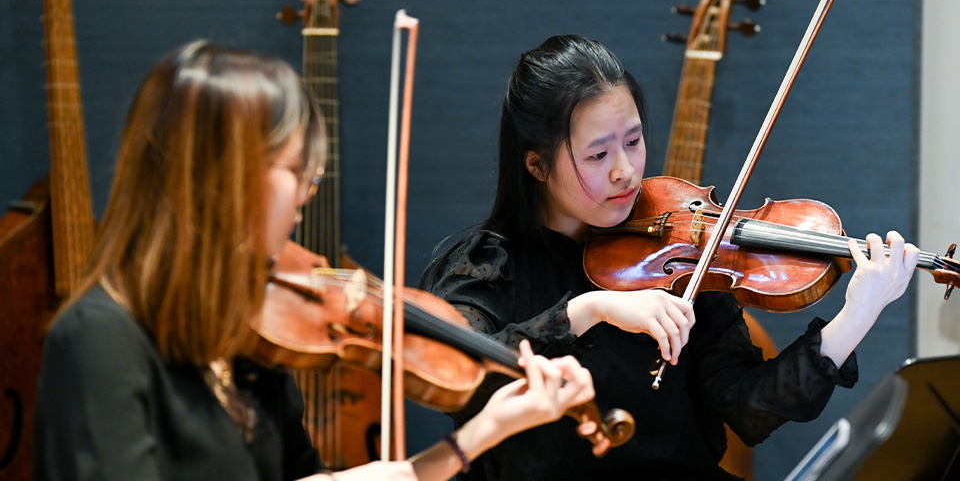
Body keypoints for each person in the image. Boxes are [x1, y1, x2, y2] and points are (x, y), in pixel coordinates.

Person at [32, 40, 597, 481]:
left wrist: (483, 433)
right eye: (296, 167)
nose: (308, 189)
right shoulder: (99, 342)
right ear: (220, 175)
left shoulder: (248, 331)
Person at [419, 34, 920, 480]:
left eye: (634, 141)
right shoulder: (487, 265)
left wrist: (858, 314)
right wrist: (588, 310)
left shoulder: (680, 258)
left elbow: (750, 409)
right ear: (536, 164)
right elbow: (459, 369)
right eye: (598, 155)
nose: (626, 171)